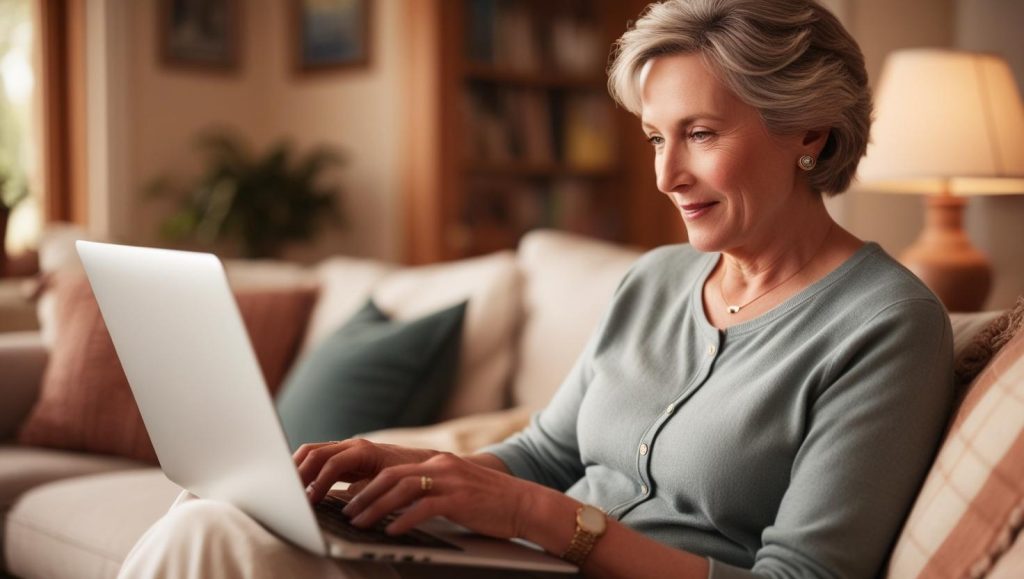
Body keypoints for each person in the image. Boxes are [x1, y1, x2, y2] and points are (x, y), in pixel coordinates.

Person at [118, 1, 954, 577]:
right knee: (219, 519)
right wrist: (414, 473)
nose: (667, 174)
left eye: (700, 134)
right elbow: (548, 454)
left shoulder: (885, 324)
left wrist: (542, 518)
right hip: (513, 562)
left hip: (559, 559)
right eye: (655, 137)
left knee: (215, 541)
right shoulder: (656, 278)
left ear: (809, 129)